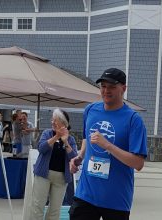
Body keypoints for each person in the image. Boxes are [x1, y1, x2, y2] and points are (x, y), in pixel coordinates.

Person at [69, 68, 148, 220]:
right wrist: (80, 156)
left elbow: (138, 163)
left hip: (116, 200)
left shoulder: (133, 120)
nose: (106, 90)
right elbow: (87, 137)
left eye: (112, 86)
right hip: (86, 195)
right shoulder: (90, 110)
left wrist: (108, 145)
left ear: (123, 88)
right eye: (103, 86)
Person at [30, 108, 78, 220]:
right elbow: (41, 148)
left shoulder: (70, 139)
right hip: (43, 175)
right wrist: (56, 137)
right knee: (38, 206)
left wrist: (65, 142)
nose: (52, 122)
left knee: (55, 210)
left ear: (63, 123)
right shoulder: (47, 133)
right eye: (52, 119)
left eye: (55, 120)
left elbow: (73, 157)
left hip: (61, 178)